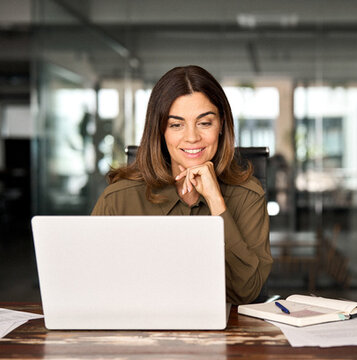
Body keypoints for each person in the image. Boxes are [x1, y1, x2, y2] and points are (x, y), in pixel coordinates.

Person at [91, 65, 272, 305]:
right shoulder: (117, 199)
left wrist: (217, 203)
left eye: (204, 123)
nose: (192, 137)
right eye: (176, 125)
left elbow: (245, 292)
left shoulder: (248, 195)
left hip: (223, 335)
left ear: (221, 126)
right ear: (160, 132)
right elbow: (91, 287)